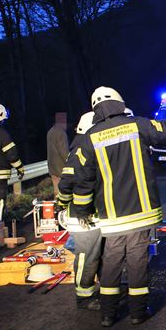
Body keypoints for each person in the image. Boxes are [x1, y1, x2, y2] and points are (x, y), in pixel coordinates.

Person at [69, 86, 166, 327]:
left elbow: (83, 180)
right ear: (119, 103)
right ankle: (138, 312)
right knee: (137, 262)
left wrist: (83, 211)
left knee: (111, 262)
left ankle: (108, 315)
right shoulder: (137, 125)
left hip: (111, 217)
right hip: (141, 212)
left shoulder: (90, 138)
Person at [57, 111, 103, 310]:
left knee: (97, 255)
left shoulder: (86, 146)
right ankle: (84, 296)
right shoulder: (80, 150)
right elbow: (66, 183)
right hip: (82, 217)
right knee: (87, 256)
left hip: (92, 214)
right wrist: (64, 205)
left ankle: (101, 290)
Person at [46, 112, 69, 197]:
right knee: (64, 190)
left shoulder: (50, 131)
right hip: (61, 167)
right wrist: (69, 162)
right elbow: (63, 151)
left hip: (52, 165)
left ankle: (57, 202)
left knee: (56, 189)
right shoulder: (61, 133)